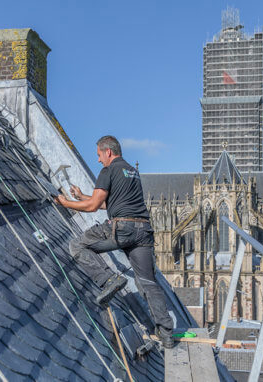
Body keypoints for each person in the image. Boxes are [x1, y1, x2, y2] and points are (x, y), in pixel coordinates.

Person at [54, 135, 174, 348]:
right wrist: (81, 196)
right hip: (144, 231)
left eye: (99, 155)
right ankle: (166, 333)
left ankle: (110, 280)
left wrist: (65, 203)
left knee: (78, 245)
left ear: (108, 152)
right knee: (147, 281)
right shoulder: (131, 172)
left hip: (123, 229)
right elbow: (105, 204)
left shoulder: (108, 171)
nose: (98, 160)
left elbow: (93, 207)